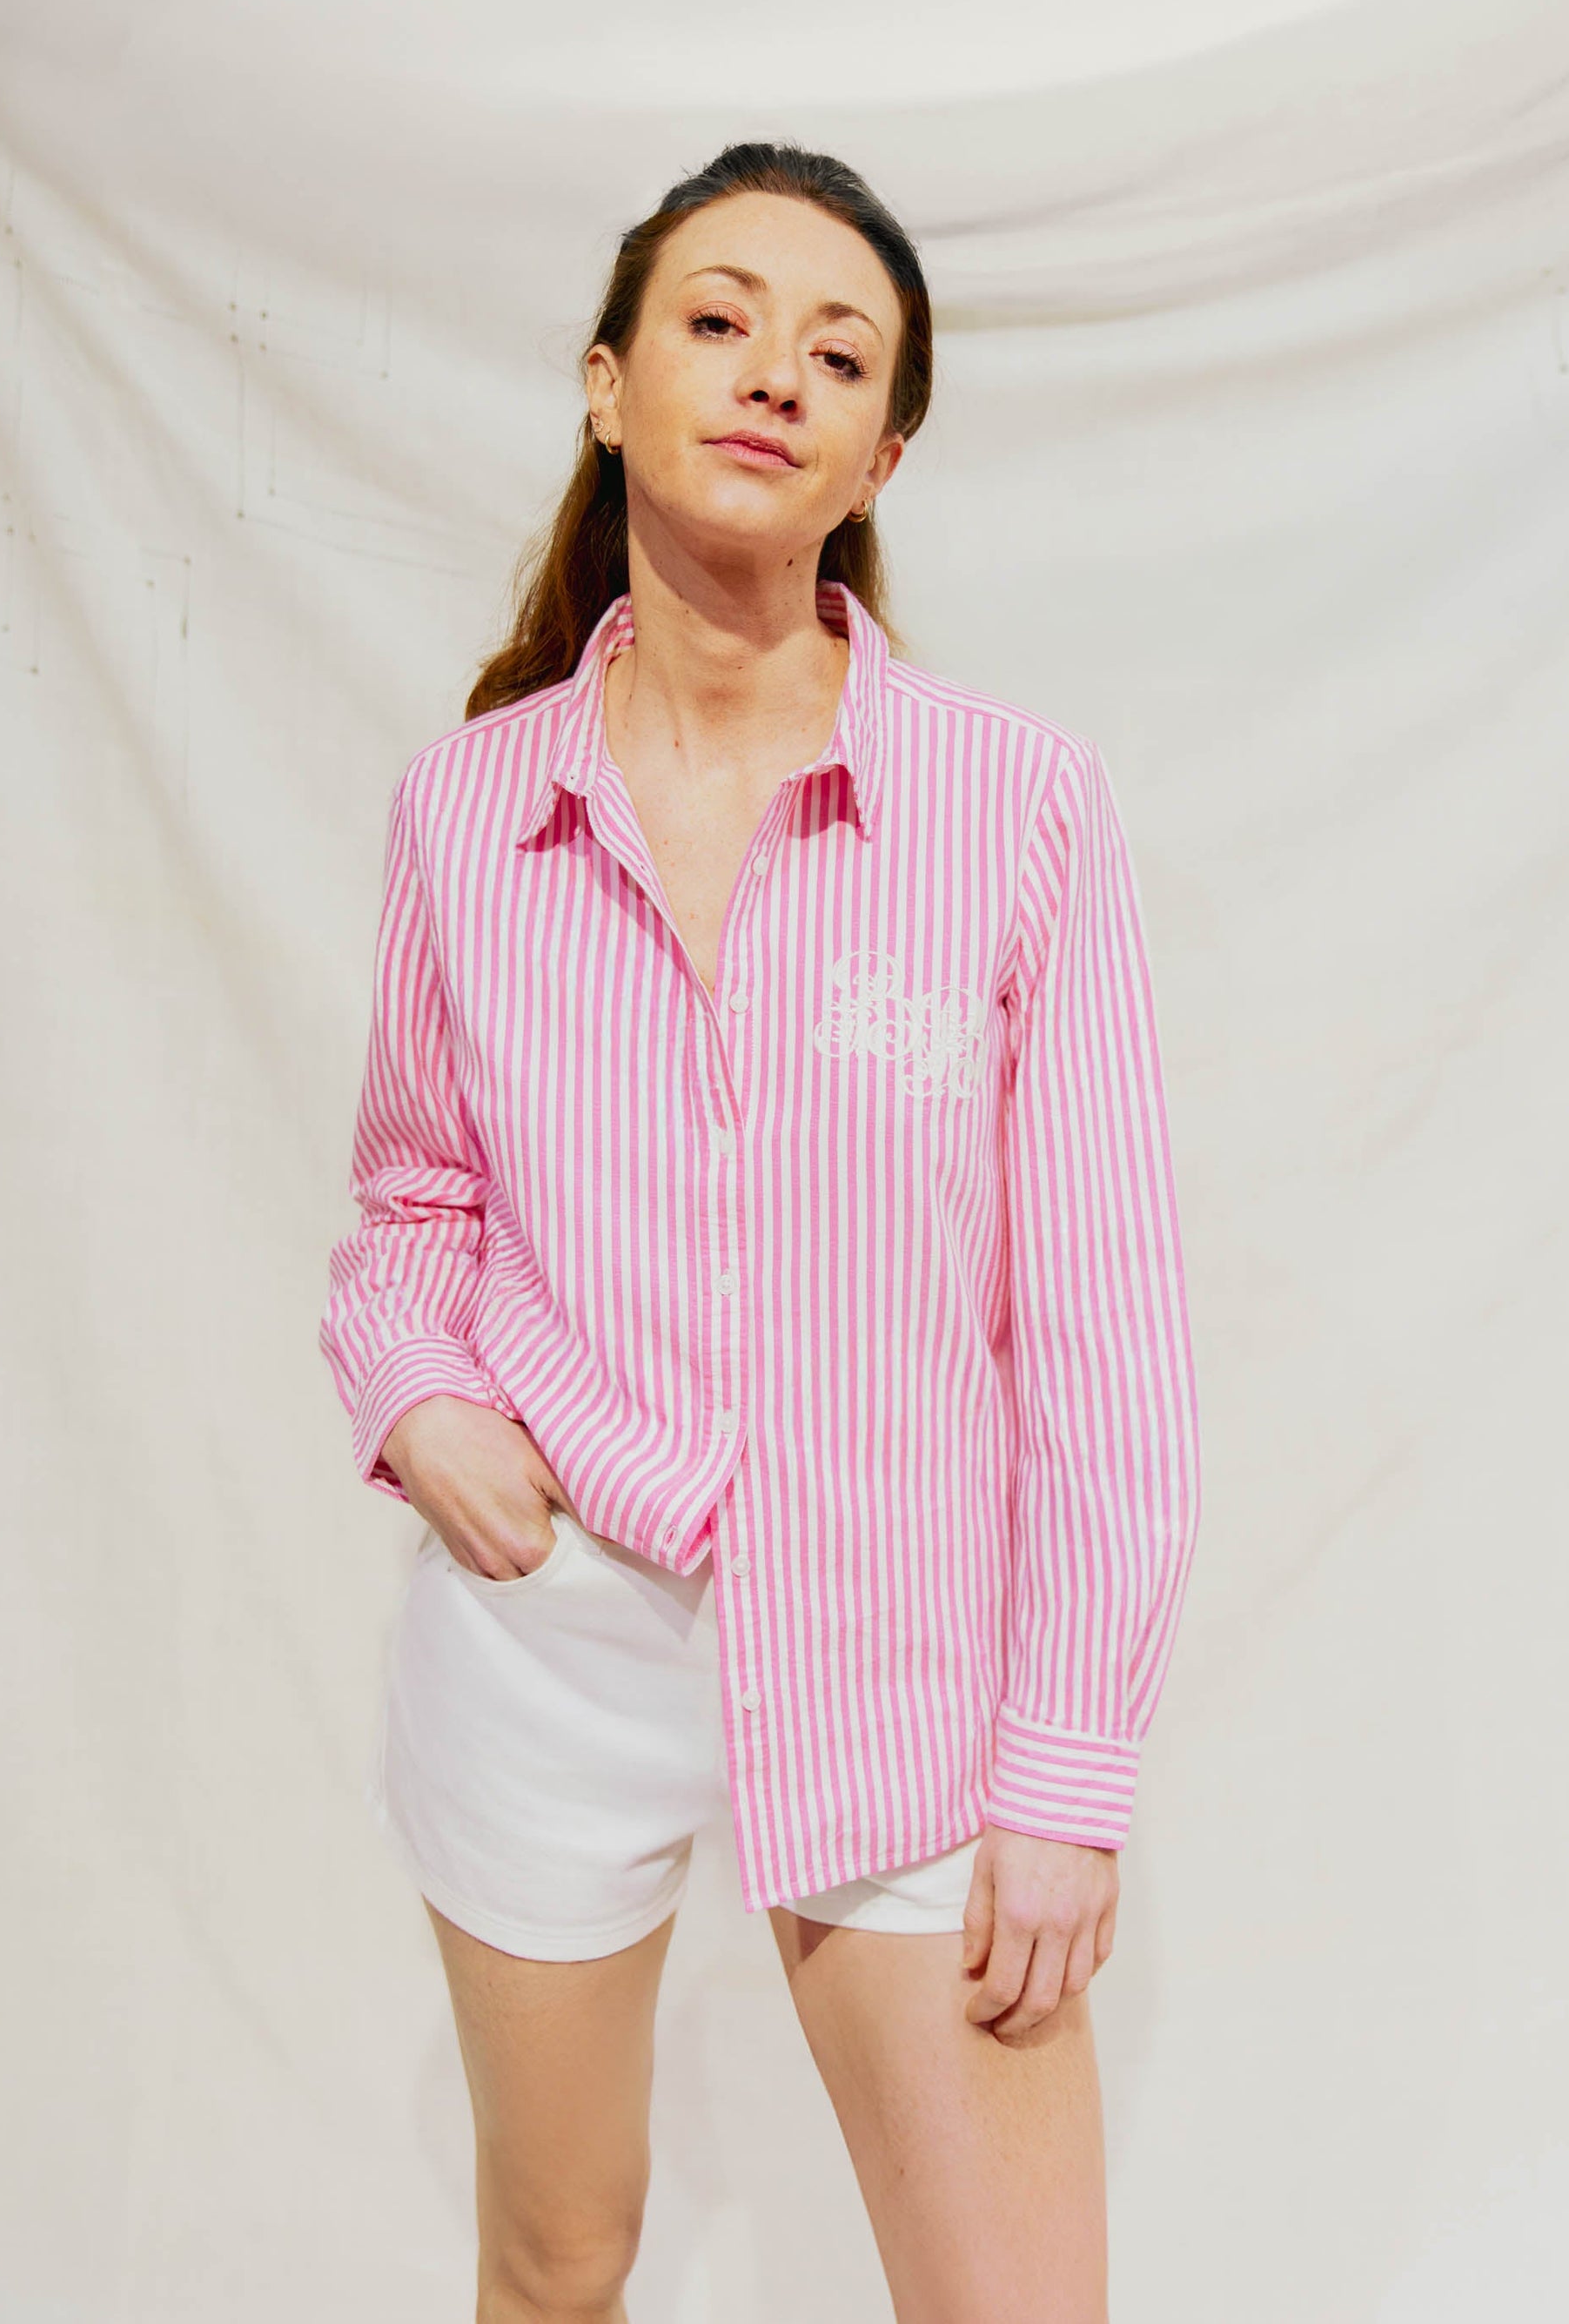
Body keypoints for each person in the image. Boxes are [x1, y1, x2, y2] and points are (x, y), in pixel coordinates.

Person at [319, 139, 1201, 2324]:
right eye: (716, 320)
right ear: (606, 383)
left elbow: (1103, 1322)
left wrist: (1066, 1764)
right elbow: (410, 1195)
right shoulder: (468, 804)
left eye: (838, 353)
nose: (771, 372)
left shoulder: (1016, 804)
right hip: (550, 1633)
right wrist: (420, 1396)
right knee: (555, 2262)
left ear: (881, 453)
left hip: (907, 1657)